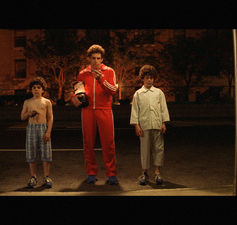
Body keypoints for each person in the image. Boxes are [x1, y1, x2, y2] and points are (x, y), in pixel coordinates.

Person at [71, 44, 119, 185]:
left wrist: (101, 80)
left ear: (102, 59)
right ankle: (91, 173)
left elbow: (113, 91)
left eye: (98, 58)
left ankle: (111, 174)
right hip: (87, 111)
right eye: (93, 58)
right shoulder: (82, 73)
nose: (96, 61)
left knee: (108, 143)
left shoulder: (109, 71)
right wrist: (74, 97)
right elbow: (78, 91)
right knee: (88, 143)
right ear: (89, 59)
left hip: (104, 110)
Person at [130, 65, 170, 185]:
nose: (149, 80)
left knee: (158, 149)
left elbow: (163, 108)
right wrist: (136, 125)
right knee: (145, 150)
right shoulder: (138, 94)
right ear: (142, 78)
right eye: (147, 77)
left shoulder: (159, 93)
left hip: (157, 125)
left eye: (151, 78)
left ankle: (157, 172)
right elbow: (135, 111)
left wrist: (163, 123)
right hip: (144, 126)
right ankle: (144, 172)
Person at [21, 76, 54, 189]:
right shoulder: (27, 102)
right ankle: (33, 177)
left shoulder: (47, 102)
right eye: (34, 87)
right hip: (31, 128)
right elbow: (22, 117)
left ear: (43, 89)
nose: (36, 89)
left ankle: (46, 176)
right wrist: (28, 114)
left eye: (38, 87)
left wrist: (48, 131)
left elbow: (50, 117)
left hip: (43, 128)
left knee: (46, 154)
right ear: (31, 89)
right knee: (31, 154)